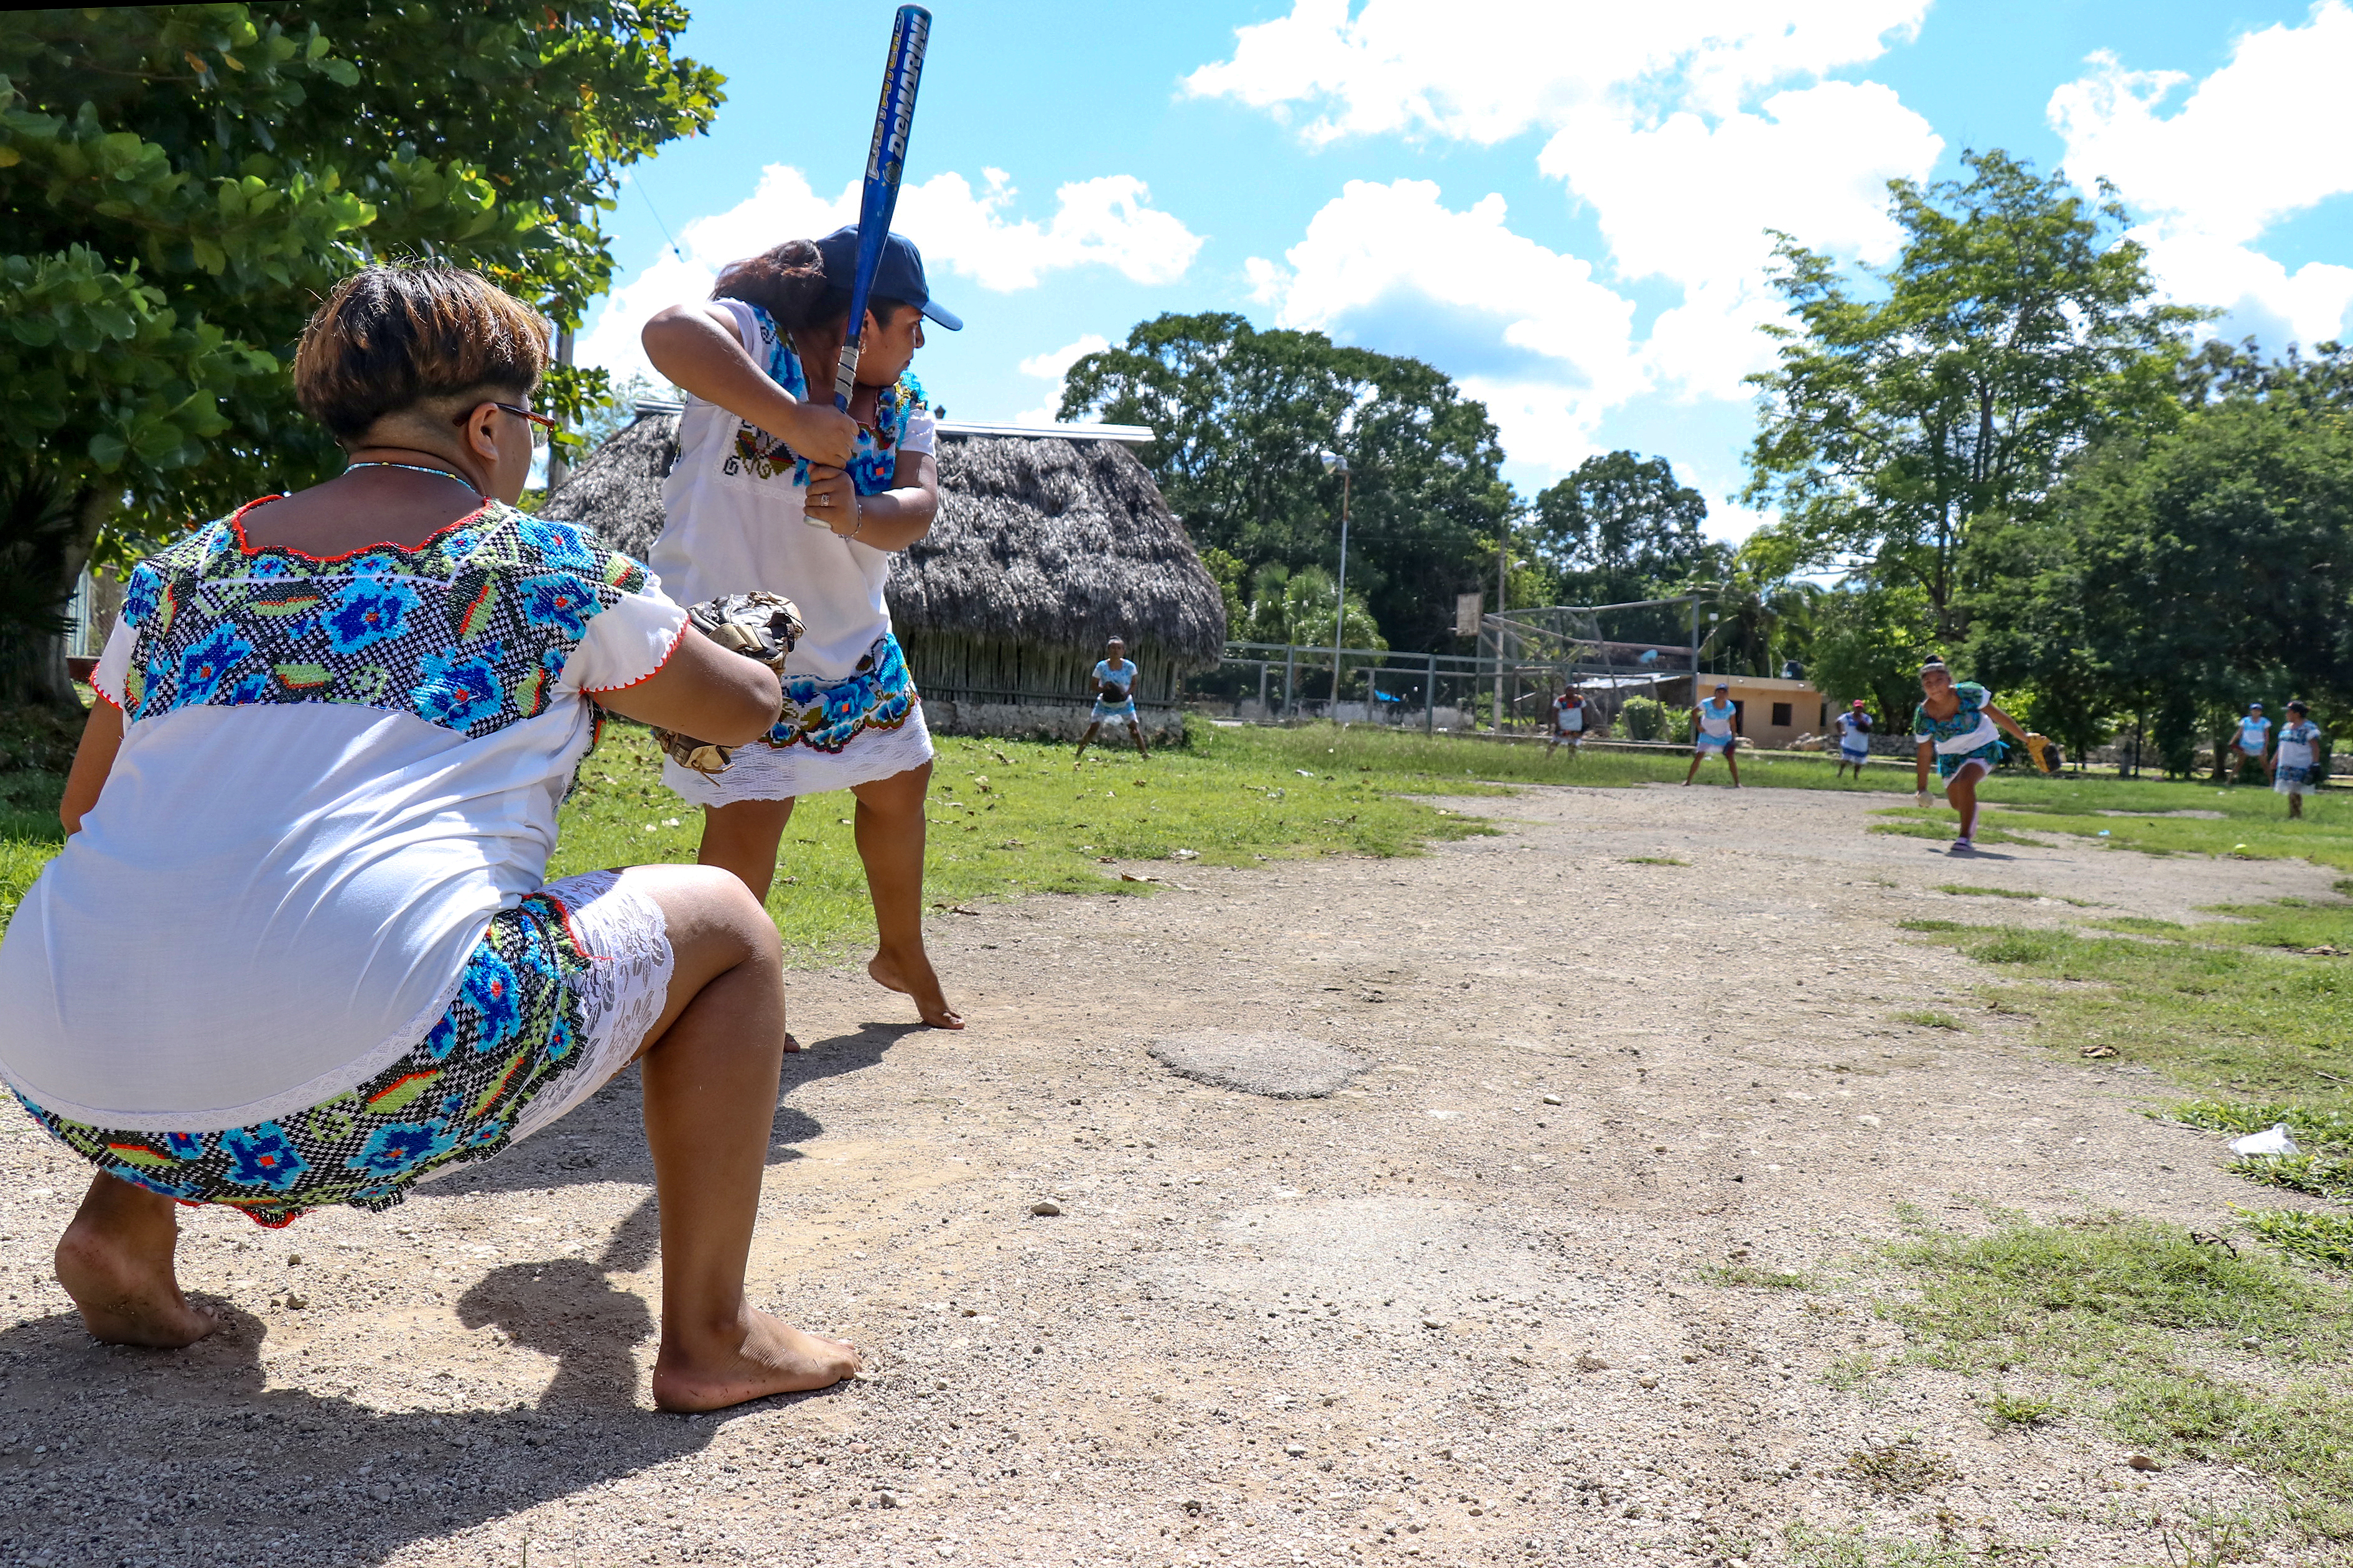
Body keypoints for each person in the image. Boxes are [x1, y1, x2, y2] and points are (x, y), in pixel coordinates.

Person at [0, 266, 859, 1407]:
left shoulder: (183, 572)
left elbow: (85, 812)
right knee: (732, 926)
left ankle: (121, 1226)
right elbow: (741, 710)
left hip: (69, 1068)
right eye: (532, 424)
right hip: (377, 1082)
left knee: (186, 871)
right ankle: (713, 1333)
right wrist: (728, 649)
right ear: (488, 425)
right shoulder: (543, 565)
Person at [642, 226, 963, 1029]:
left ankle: (900, 950)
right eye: (912, 324)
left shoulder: (905, 403)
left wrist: (861, 512)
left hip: (851, 634)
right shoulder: (752, 339)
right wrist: (792, 418)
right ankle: (727, 988)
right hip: (737, 635)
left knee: (900, 782)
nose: (920, 343)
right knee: (752, 811)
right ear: (861, 322)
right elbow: (668, 333)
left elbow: (918, 507)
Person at [1911, 659, 2033, 853]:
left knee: (1966, 781)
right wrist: (1921, 788)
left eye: (1940, 680)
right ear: (1924, 688)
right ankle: (1970, 811)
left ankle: (1964, 838)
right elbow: (1925, 752)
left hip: (1982, 745)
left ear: (1950, 680)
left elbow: (1998, 716)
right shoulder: (1924, 715)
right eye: (1928, 684)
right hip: (1950, 756)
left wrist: (2026, 739)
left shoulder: (1969, 693)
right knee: (1957, 803)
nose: (1935, 687)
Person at [1075, 636, 1149, 764]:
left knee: (1134, 729)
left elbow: (1134, 684)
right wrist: (1104, 689)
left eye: (1119, 648)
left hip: (1124, 702)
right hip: (1105, 702)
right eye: (1113, 648)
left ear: (1123, 651)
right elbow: (1093, 686)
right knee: (1094, 727)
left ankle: (1145, 755)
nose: (1116, 651)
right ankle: (1078, 754)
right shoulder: (1102, 666)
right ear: (1108, 650)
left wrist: (1126, 693)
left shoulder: (1130, 666)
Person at [2271, 700, 2323, 820]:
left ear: (2297, 714)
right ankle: (2293, 814)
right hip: (2286, 762)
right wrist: (2275, 760)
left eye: (2289, 712)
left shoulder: (2308, 728)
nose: (2286, 714)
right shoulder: (2286, 727)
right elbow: (2282, 745)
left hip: (2300, 763)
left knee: (2295, 790)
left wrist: (2315, 763)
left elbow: (2315, 747)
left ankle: (2296, 815)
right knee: (2291, 790)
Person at [1684, 682, 1742, 786]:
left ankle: (1737, 783)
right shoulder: (1707, 703)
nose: (1721, 695)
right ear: (1715, 693)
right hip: (1708, 734)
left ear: (1727, 695)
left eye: (1724, 693)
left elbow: (1733, 724)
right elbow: (1694, 712)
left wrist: (1733, 738)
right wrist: (1699, 726)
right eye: (1719, 692)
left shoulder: (1730, 707)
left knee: (1730, 757)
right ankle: (1688, 781)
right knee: (1699, 756)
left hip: (1724, 735)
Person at [2229, 702, 2272, 785]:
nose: (2256, 712)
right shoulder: (2245, 721)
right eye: (2254, 710)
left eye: (2258, 711)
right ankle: (2229, 781)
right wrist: (2232, 741)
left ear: (2261, 712)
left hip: (2259, 746)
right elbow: (2239, 732)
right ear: (2251, 711)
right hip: (2245, 745)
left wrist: (2265, 748)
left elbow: (2267, 736)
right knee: (2239, 763)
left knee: (2265, 765)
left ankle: (2271, 783)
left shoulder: (2264, 722)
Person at [1833, 699, 1874, 778]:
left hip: (1861, 743)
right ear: (1854, 708)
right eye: (1857, 707)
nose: (1858, 709)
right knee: (1845, 759)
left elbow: (1870, 727)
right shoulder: (1847, 716)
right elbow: (1838, 722)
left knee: (1859, 762)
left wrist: (1865, 727)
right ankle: (1840, 773)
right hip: (1849, 742)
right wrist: (1841, 732)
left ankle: (1856, 776)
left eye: (1860, 708)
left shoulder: (1867, 718)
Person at [1546, 683, 1588, 758]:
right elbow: (1555, 712)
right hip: (1563, 725)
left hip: (1576, 725)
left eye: (1572, 691)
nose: (1571, 692)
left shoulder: (1580, 699)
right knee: (1556, 741)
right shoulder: (1561, 700)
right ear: (1566, 691)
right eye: (1569, 691)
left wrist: (1585, 722)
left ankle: (1571, 758)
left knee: (1573, 743)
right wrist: (1557, 724)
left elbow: (1584, 711)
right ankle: (1548, 757)